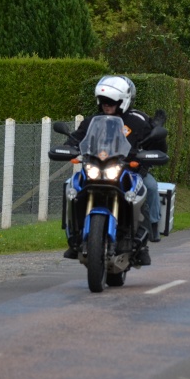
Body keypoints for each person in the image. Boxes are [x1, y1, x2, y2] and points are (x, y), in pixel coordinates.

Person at [62, 75, 167, 264]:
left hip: (131, 169)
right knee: (71, 186)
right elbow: (77, 138)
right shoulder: (93, 120)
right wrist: (68, 147)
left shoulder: (138, 119)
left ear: (123, 101)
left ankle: (146, 238)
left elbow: (157, 144)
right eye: (103, 100)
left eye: (111, 101)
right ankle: (74, 236)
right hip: (96, 168)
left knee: (149, 187)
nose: (106, 104)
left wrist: (157, 137)